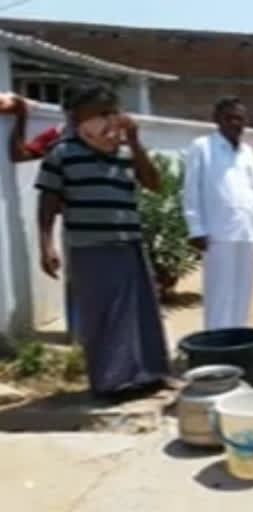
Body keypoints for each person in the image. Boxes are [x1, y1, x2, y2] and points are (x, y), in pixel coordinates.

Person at [35, 84, 170, 398]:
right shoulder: (63, 153)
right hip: (89, 247)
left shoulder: (124, 152)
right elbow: (48, 204)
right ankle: (112, 383)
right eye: (98, 113)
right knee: (102, 317)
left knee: (140, 313)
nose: (106, 120)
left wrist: (135, 142)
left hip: (129, 243)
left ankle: (148, 374)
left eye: (111, 112)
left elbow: (153, 183)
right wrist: (46, 245)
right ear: (77, 117)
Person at [184, 97, 253, 330]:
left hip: (247, 230)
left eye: (240, 119)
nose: (235, 123)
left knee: (244, 291)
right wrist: (196, 228)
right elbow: (192, 189)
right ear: (217, 120)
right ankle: (216, 343)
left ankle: (238, 341)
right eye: (229, 118)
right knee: (219, 293)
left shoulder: (248, 152)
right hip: (217, 232)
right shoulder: (202, 147)